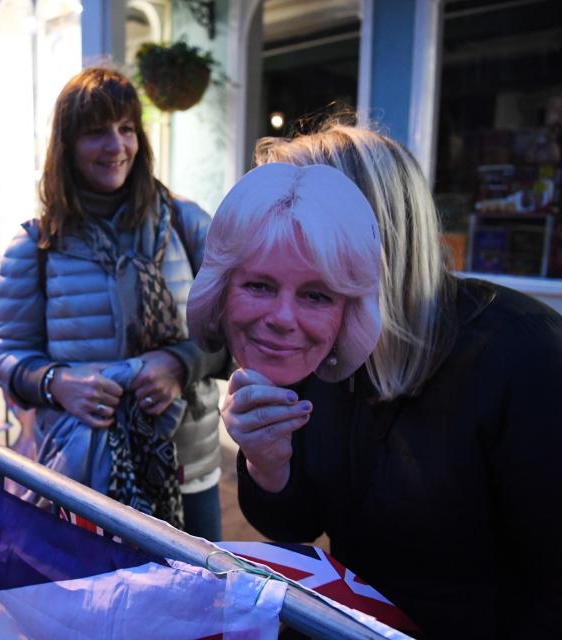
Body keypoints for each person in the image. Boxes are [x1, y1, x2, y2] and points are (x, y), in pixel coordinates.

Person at [209, 122, 562, 637]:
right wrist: (269, 462)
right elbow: (297, 524)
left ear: (379, 236)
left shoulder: (522, 354)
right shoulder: (318, 339)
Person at [0, 67, 227, 538]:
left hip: (188, 462)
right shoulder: (35, 245)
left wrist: (180, 364)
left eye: (126, 129)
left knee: (200, 604)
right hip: (85, 471)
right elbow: (7, 355)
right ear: (67, 147)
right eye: (96, 132)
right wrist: (58, 383)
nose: (116, 146)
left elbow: (236, 332)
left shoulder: (186, 222)